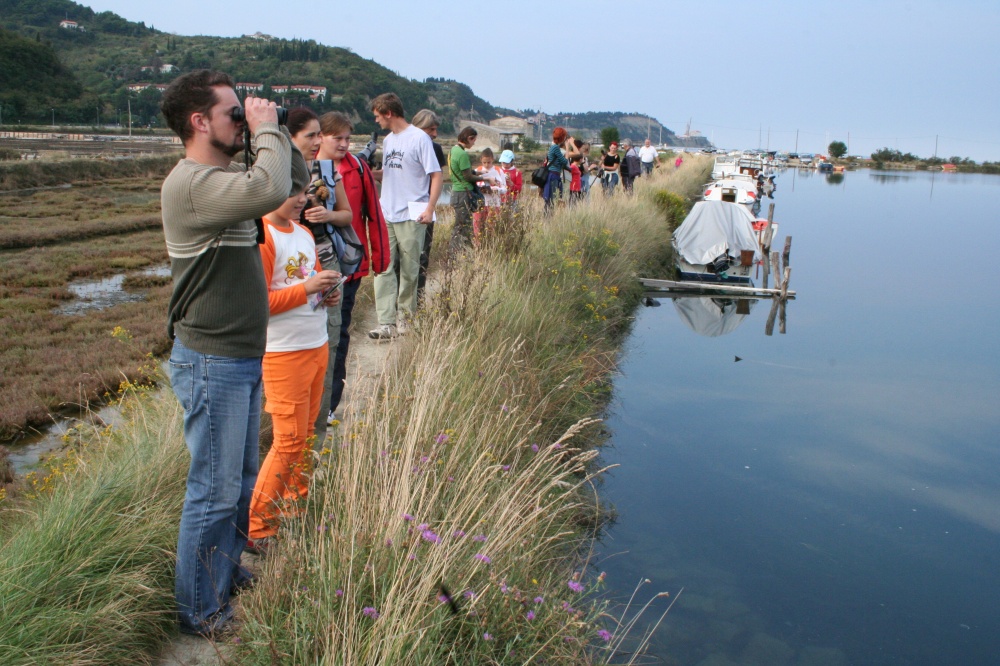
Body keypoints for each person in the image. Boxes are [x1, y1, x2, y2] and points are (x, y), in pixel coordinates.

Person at [159, 69, 309, 636]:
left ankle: (221, 573)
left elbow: (288, 179)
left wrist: (276, 131)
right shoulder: (193, 183)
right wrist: (266, 129)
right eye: (231, 113)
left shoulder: (224, 178)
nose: (241, 120)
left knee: (240, 480)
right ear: (200, 122)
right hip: (212, 359)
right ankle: (200, 609)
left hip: (240, 356)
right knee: (214, 490)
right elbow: (271, 191)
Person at [248, 187, 341, 552]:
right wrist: (307, 289)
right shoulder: (263, 236)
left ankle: (293, 510)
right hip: (283, 354)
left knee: (305, 437)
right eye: (291, 193)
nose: (301, 200)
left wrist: (326, 293)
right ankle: (257, 528)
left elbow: (312, 285)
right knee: (287, 442)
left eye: (304, 192)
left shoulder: (302, 232)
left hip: (315, 344)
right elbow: (258, 304)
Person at [368, 93, 442, 340]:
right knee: (383, 268)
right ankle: (386, 322)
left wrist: (429, 209)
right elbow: (390, 173)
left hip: (412, 214)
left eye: (378, 116)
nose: (377, 121)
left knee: (410, 270)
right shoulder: (388, 141)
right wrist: (370, 173)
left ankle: (406, 318)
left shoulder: (420, 139)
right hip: (386, 213)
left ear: (388, 113)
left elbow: (435, 175)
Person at [410, 109, 447, 302]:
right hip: (403, 209)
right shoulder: (404, 145)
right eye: (430, 129)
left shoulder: (436, 149)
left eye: (436, 129)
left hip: (424, 207)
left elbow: (437, 179)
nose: (434, 134)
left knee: (423, 254)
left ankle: (418, 298)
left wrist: (430, 207)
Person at [449, 126, 496, 249]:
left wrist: (476, 173)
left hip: (456, 192)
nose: (474, 143)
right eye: (474, 140)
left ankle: (457, 253)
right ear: (469, 138)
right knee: (464, 227)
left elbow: (461, 172)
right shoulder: (462, 154)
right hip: (463, 193)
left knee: (459, 226)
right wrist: (486, 178)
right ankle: (459, 254)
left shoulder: (453, 150)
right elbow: (468, 177)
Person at [473, 147, 507, 239]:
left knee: (492, 229)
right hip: (480, 203)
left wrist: (496, 189)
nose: (487, 165)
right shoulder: (477, 171)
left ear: (492, 159)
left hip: (494, 203)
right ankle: (478, 248)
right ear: (481, 160)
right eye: (484, 162)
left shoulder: (499, 171)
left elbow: (504, 188)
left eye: (489, 162)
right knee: (477, 228)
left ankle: (490, 248)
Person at [543, 127, 570, 213]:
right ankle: (548, 217)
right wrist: (568, 148)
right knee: (552, 198)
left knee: (551, 198)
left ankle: (548, 216)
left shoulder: (553, 147)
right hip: (553, 175)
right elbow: (564, 161)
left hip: (552, 174)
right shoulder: (555, 148)